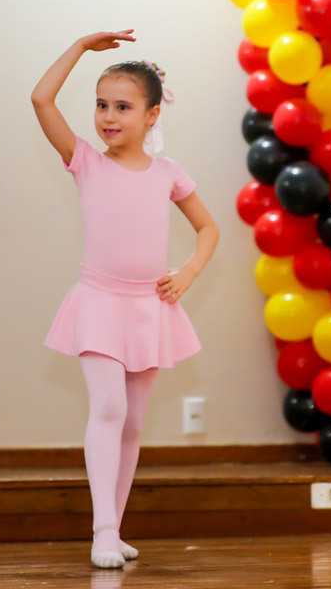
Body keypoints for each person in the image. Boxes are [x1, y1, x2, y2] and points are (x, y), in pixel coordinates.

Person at [31, 31, 219, 569]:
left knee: (133, 423)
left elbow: (208, 229)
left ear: (152, 114)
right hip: (99, 302)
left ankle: (115, 528)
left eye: (122, 107)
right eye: (101, 105)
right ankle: (104, 531)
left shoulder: (168, 173)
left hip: (148, 309)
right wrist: (78, 47)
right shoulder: (86, 161)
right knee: (109, 408)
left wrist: (188, 273)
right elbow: (41, 99)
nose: (108, 117)